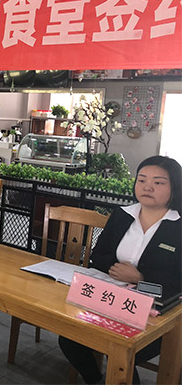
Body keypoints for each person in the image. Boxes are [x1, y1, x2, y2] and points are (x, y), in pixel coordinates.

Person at [59, 155, 181, 385]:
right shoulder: (122, 215)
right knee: (69, 337)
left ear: (175, 186)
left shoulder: (178, 226)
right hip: (112, 298)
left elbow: (178, 279)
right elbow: (99, 256)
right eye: (142, 180)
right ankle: (96, 380)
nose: (147, 187)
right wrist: (117, 272)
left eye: (158, 182)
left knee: (123, 351)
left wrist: (141, 278)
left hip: (159, 311)